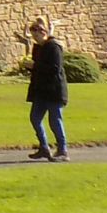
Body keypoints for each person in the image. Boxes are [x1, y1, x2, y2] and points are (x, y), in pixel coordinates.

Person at [26, 17, 69, 161]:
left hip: (54, 89)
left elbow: (55, 69)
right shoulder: (38, 48)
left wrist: (35, 66)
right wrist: (30, 67)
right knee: (35, 118)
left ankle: (63, 150)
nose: (35, 39)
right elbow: (38, 68)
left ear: (43, 33)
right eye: (33, 36)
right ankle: (44, 147)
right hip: (41, 90)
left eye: (36, 35)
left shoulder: (53, 47)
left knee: (55, 119)